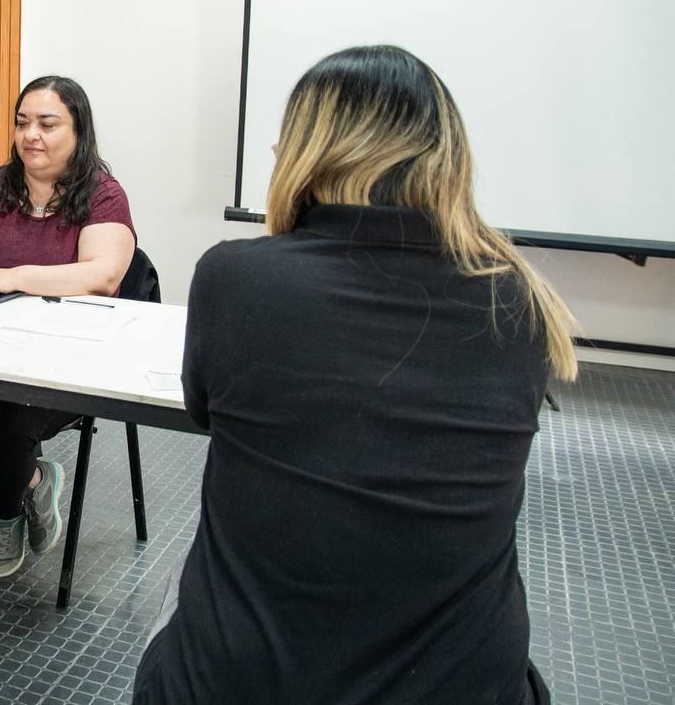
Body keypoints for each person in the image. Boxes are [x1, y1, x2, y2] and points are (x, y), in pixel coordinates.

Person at [133, 46, 576, 704]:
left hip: (242, 680)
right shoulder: (519, 302)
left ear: (308, 153)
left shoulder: (238, 278)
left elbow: (203, 409)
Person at [0, 75, 136, 577]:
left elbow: (102, 275)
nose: (30, 134)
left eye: (47, 124)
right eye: (22, 123)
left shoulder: (103, 194)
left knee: (3, 414)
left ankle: (5, 511)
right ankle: (32, 481)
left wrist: (15, 277)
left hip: (65, 357)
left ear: (79, 131)